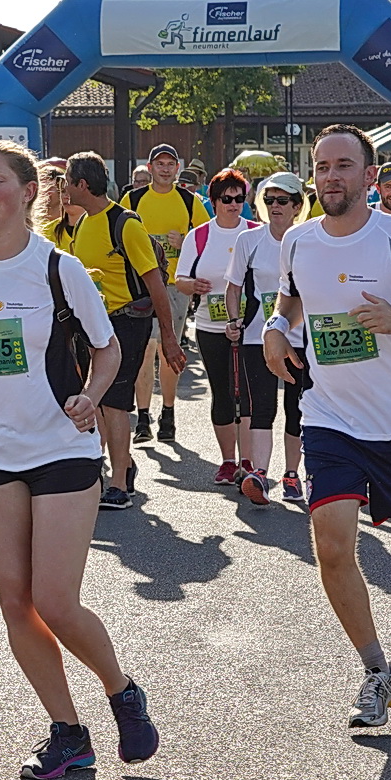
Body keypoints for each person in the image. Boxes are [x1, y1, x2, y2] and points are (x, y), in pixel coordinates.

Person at [0, 140, 158, 780]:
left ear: (29, 191)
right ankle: (68, 732)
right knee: (15, 602)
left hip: (63, 448)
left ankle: (121, 691)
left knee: (55, 600)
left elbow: (108, 350)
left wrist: (90, 396)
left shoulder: (62, 269)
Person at [262, 125, 391, 726]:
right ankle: (378, 671)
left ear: (369, 175)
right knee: (331, 543)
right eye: (322, 167)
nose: (330, 176)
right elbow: (289, 299)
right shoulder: (298, 241)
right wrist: (278, 328)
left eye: (343, 166)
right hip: (328, 414)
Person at [59, 151, 182, 507]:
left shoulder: (125, 223)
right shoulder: (82, 224)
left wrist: (169, 340)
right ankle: (118, 468)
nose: (65, 188)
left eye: (68, 181)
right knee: (93, 400)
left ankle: (119, 486)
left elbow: (157, 285)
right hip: (90, 327)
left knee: (113, 403)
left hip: (126, 323)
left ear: (83, 185)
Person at [223, 172, 309, 504]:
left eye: (282, 201)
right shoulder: (249, 240)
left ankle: (291, 474)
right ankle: (259, 474)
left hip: (302, 337)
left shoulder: (309, 238)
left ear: (297, 206)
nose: (275, 207)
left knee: (297, 408)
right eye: (269, 200)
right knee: (260, 406)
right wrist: (234, 320)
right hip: (258, 336)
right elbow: (233, 287)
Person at [176, 168, 258, 485]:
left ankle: (249, 461)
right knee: (223, 393)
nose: (234, 204)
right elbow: (180, 279)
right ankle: (227, 461)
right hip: (211, 325)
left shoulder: (255, 232)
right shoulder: (200, 236)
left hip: (250, 326)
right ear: (214, 201)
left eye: (239, 198)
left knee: (249, 393)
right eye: (227, 199)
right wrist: (192, 285)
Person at [121, 143, 208, 443]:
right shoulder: (133, 198)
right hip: (140, 284)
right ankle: (143, 416)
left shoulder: (188, 200)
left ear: (177, 168)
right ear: (150, 167)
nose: (166, 168)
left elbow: (208, 239)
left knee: (166, 348)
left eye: (171, 163)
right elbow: (117, 236)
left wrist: (185, 242)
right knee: (145, 347)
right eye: (160, 163)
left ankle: (168, 412)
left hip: (174, 285)